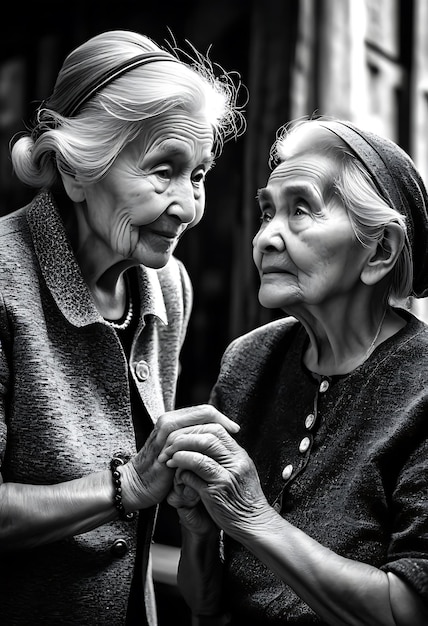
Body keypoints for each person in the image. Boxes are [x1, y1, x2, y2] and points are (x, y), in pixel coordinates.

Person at [0, 29, 244, 625]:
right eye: (163, 170)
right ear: (77, 169)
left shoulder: (167, 285)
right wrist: (129, 484)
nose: (187, 206)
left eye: (201, 174)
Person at [160, 117, 428, 625]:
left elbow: (409, 610)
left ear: (381, 251)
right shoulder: (248, 360)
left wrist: (251, 518)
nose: (265, 239)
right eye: (266, 213)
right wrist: (198, 526)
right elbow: (205, 604)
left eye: (300, 210)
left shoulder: (420, 386)